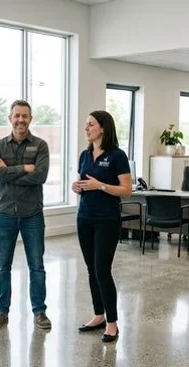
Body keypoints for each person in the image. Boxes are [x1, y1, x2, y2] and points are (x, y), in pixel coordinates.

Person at [0, 100, 51, 330]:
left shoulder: (41, 146)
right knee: (2, 265)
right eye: (17, 116)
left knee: (37, 265)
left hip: (32, 213)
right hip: (5, 214)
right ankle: (1, 311)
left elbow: (40, 176)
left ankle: (40, 312)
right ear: (9, 118)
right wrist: (24, 168)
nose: (20, 120)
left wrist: (9, 171)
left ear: (30, 119)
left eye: (25, 116)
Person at [72, 110, 132, 343]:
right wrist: (77, 187)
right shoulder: (85, 154)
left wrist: (100, 185)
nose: (86, 128)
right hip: (84, 217)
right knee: (90, 269)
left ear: (103, 128)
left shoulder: (117, 155)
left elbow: (126, 190)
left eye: (91, 124)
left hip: (107, 220)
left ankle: (112, 323)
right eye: (86, 124)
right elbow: (83, 182)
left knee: (102, 270)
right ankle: (98, 315)